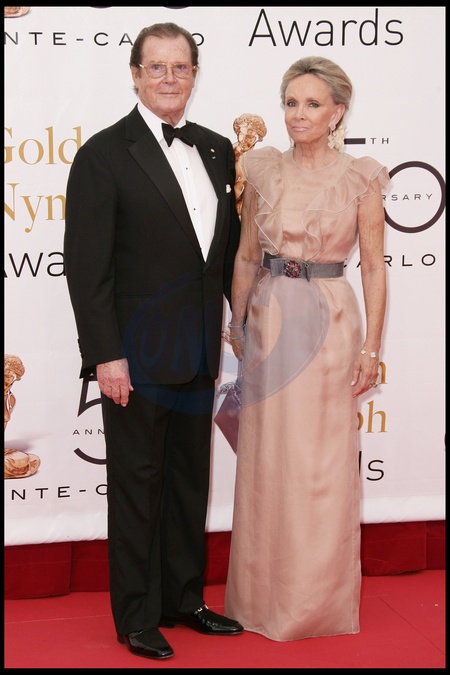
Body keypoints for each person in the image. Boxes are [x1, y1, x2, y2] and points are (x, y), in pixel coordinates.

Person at [64, 22, 242, 660]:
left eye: (181, 67)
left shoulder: (218, 149)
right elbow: (87, 269)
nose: (170, 78)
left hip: (198, 350)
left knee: (189, 481)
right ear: (136, 75)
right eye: (157, 67)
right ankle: (137, 615)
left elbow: (220, 256)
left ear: (195, 75)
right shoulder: (104, 154)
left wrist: (237, 325)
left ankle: (183, 598)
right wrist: (105, 355)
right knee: (138, 486)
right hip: (134, 358)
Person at [224, 56, 390, 642]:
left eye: (313, 104)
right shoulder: (263, 169)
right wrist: (237, 321)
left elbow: (374, 267)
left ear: (338, 112)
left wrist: (371, 347)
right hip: (269, 316)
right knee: (266, 460)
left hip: (329, 318)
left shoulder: (361, 177)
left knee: (319, 464)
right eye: (291, 102)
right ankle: (257, 599)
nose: (299, 114)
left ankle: (313, 602)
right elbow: (247, 254)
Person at [232, 113, 267, 217]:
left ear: (259, 138)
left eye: (250, 137)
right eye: (241, 134)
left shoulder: (257, 162)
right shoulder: (226, 153)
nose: (244, 140)